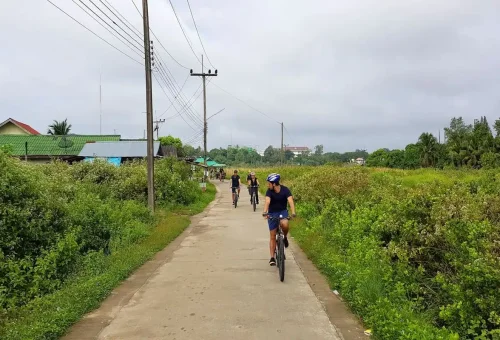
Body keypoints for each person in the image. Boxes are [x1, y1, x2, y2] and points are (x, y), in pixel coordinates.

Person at [262, 173, 296, 266]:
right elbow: (267, 201)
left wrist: (293, 213)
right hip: (272, 213)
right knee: (272, 236)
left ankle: (284, 237)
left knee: (285, 223)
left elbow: (290, 201)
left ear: (274, 184)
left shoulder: (285, 190)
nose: (268, 185)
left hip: (282, 211)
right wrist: (265, 212)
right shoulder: (269, 191)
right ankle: (272, 257)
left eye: (269, 183)